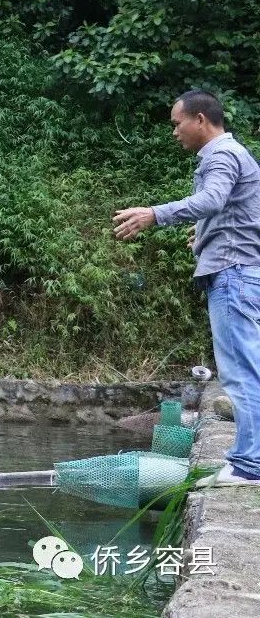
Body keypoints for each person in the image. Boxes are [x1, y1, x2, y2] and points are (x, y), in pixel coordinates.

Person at [113, 89, 260, 486]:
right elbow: (239, 209)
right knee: (245, 369)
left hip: (233, 273)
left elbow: (213, 199)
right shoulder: (231, 155)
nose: (174, 132)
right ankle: (247, 459)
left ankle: (251, 464)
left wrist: (154, 214)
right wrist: (207, 229)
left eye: (177, 123)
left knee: (242, 373)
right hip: (238, 270)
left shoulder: (222, 154)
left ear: (200, 119)